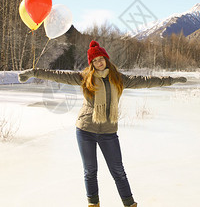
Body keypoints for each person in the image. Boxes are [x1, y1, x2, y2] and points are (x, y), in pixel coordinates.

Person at [19, 40, 187, 207]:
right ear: (91, 64)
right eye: (95, 61)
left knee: (118, 171)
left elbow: (146, 80)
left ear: (106, 59)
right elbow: (58, 75)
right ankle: (93, 204)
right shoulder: (85, 78)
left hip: (108, 132)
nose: (99, 63)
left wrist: (171, 80)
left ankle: (129, 204)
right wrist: (33, 72)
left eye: (101, 59)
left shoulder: (120, 79)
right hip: (85, 130)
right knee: (90, 171)